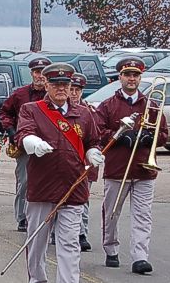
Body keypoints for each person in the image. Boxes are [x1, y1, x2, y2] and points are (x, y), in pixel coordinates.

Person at [15, 63, 103, 283]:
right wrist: (33, 143)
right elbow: (23, 134)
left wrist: (93, 153)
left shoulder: (83, 113)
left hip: (73, 187)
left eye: (65, 84)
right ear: (46, 84)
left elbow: (93, 140)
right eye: (56, 84)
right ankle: (37, 278)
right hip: (42, 187)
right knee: (37, 241)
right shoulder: (31, 109)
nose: (62, 89)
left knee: (70, 243)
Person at [96, 57, 167, 275]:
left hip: (144, 169)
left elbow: (163, 134)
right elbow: (98, 133)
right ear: (120, 77)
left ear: (140, 78)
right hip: (117, 169)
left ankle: (140, 257)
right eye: (128, 75)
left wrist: (148, 137)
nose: (132, 79)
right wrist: (119, 137)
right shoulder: (108, 105)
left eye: (135, 75)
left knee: (143, 215)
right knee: (112, 212)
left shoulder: (152, 104)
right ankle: (111, 249)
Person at [0, 57, 51, 232]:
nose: (40, 76)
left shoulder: (54, 95)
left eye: (44, 73)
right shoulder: (19, 94)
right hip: (24, 145)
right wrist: (11, 132)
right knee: (25, 181)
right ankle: (22, 218)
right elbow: (5, 113)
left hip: (49, 145)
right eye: (37, 72)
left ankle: (45, 217)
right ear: (31, 74)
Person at [68, 72, 96, 252]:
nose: (74, 93)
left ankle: (81, 233)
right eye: (71, 89)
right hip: (65, 164)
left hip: (84, 164)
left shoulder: (89, 112)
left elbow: (95, 137)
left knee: (83, 199)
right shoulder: (57, 111)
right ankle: (58, 231)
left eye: (78, 90)